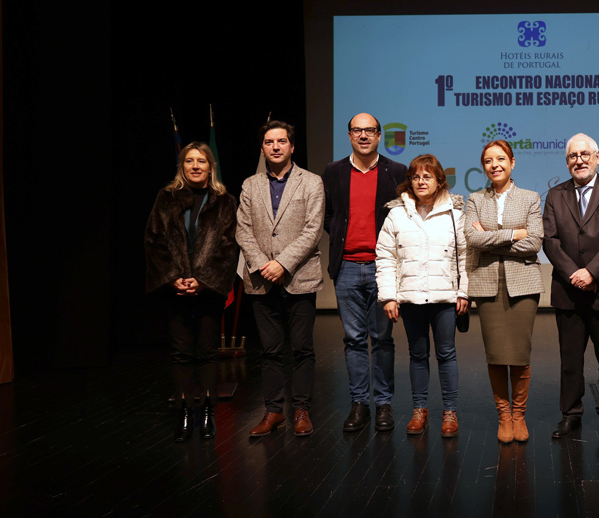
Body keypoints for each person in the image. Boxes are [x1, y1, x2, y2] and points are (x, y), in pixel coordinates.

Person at [145, 142, 238, 441]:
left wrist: (203, 280)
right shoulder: (166, 198)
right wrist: (173, 278)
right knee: (181, 352)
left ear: (211, 167)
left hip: (209, 288)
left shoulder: (224, 201)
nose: (195, 166)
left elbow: (229, 247)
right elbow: (154, 240)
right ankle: (185, 412)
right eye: (189, 161)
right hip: (175, 289)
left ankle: (208, 412)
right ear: (182, 166)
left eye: (201, 161)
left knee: (208, 352)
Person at [238, 121, 325, 437]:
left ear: (292, 146)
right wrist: (265, 265)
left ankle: (301, 410)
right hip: (261, 279)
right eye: (269, 142)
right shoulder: (250, 184)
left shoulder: (311, 182)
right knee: (270, 350)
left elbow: (313, 230)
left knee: (302, 349)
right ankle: (274, 411)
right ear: (262, 149)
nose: (275, 146)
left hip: (299, 277)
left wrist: (282, 264)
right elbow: (243, 230)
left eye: (281, 141)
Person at [542, 133, 599, 443]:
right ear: (566, 162)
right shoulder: (555, 195)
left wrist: (592, 272)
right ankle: (570, 414)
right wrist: (574, 274)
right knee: (570, 361)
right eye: (572, 156)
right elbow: (550, 240)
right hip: (568, 291)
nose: (578, 160)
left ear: (597, 157)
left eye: (584, 154)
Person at [323, 113, 407, 433]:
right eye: (357, 130)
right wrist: (342, 238)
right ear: (349, 136)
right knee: (354, 340)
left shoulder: (395, 170)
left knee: (383, 339)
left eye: (369, 130)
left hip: (382, 267)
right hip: (345, 267)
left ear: (379, 136)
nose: (363, 135)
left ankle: (383, 403)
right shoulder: (334, 171)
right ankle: (359, 403)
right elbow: (329, 215)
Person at [375, 154, 469, 437]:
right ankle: (420, 410)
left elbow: (466, 257)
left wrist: (464, 292)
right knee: (417, 355)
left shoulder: (455, 215)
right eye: (415, 177)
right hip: (410, 297)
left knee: (446, 354)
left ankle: (450, 412)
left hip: (445, 298)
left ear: (440, 181)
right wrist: (389, 296)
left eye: (427, 176)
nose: (420, 181)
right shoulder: (396, 214)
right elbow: (385, 256)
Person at [465, 139, 543, 443]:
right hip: (486, 283)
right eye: (488, 161)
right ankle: (504, 415)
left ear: (512, 162)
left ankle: (519, 415)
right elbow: (473, 239)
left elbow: (534, 243)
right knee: (496, 353)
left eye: (500, 159)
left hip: (523, 284)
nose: (494, 165)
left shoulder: (530, 198)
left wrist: (492, 238)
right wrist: (514, 234)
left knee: (520, 353)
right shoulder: (475, 199)